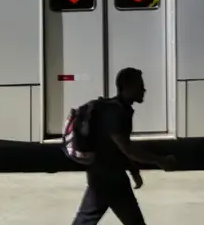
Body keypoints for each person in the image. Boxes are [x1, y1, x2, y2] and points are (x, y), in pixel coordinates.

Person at [71, 68, 176, 225]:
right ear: (127, 87)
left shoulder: (120, 109)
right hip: (109, 177)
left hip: (104, 174)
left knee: (88, 218)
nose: (144, 90)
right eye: (140, 86)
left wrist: (133, 170)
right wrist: (159, 160)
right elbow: (126, 147)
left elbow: (118, 149)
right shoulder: (116, 112)